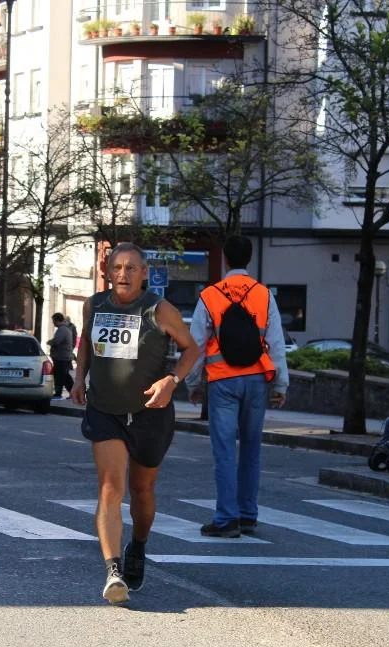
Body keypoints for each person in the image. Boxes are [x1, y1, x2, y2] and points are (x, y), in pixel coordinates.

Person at [71, 243, 200, 605]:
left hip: (150, 413)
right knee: (110, 487)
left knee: (141, 490)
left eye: (131, 268)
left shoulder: (159, 309)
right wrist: (79, 379)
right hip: (105, 410)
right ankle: (113, 571)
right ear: (107, 272)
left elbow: (192, 349)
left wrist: (172, 380)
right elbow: (86, 344)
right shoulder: (94, 305)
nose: (123, 274)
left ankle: (138, 546)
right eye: (117, 268)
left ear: (144, 273)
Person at [186, 234, 290, 538]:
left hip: (223, 381)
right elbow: (276, 343)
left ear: (225, 259)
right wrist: (280, 385)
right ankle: (247, 515)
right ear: (250, 258)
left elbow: (197, 343)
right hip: (257, 380)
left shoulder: (210, 295)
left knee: (225, 451)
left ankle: (226, 518)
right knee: (251, 448)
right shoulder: (264, 295)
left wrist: (193, 382)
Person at [47, 312, 74, 399]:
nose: (53, 323)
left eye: (53, 321)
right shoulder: (64, 329)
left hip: (62, 358)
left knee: (60, 376)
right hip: (63, 357)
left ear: (57, 320)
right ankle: (72, 393)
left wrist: (50, 342)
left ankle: (59, 393)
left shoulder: (62, 330)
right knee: (65, 376)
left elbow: (57, 341)